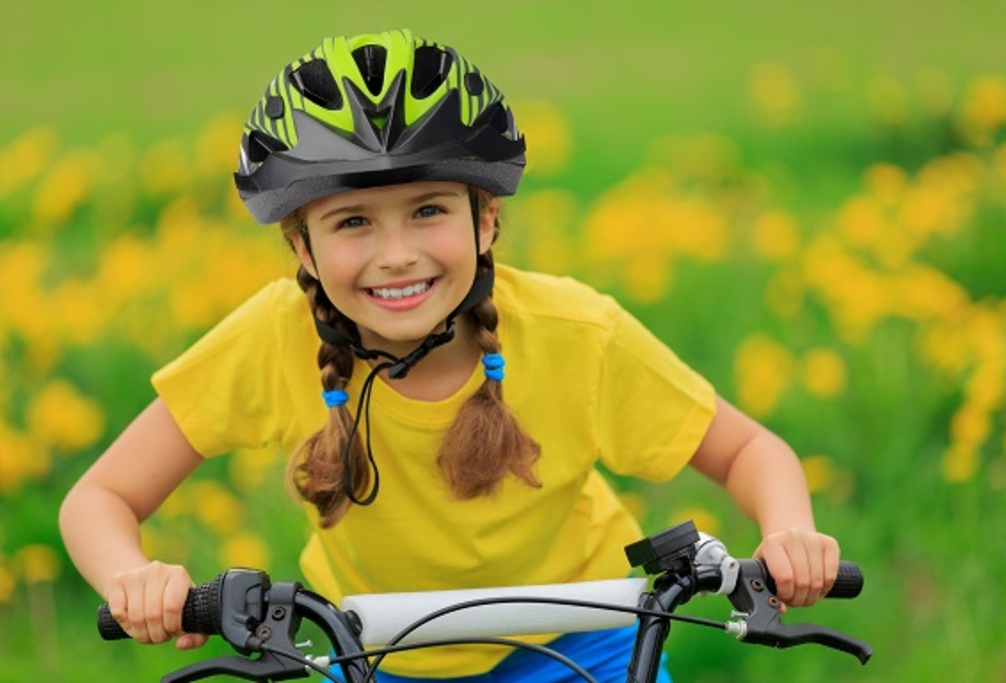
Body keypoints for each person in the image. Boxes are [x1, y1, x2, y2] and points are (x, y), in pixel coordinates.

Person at [60, 29, 841, 682]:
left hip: (587, 640)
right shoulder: (275, 335)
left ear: (487, 222)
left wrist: (787, 533)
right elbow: (99, 499)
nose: (396, 255)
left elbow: (747, 448)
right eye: (353, 222)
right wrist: (134, 577)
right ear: (300, 244)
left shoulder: (577, 332)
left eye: (428, 210)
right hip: (367, 645)